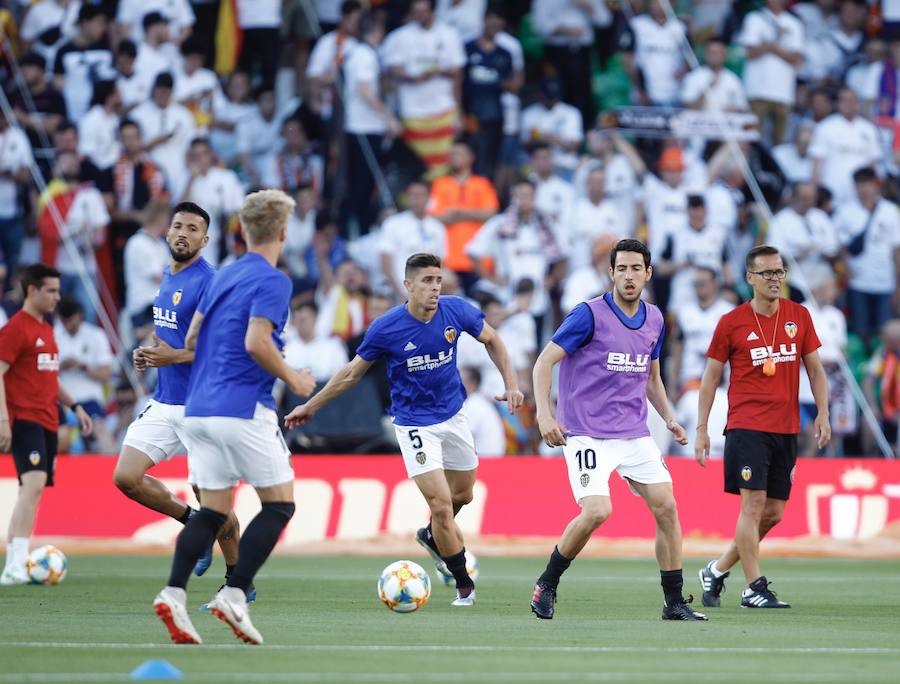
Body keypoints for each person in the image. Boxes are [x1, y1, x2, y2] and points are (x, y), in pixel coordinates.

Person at [285, 253, 523, 606]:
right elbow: (352, 373)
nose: (435, 288)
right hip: (414, 424)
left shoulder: (455, 310)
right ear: (408, 285)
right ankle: (463, 585)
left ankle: (431, 536)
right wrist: (311, 405)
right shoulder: (386, 328)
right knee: (442, 506)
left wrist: (512, 384)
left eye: (438, 280)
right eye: (427, 281)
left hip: (453, 416)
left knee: (464, 496)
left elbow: (493, 340)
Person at [153, 190, 316, 645]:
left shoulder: (220, 277)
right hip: (242, 407)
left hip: (198, 408)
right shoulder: (275, 280)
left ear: (243, 231)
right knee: (280, 504)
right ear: (283, 232)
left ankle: (173, 593)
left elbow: (193, 333)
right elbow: (256, 341)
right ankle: (235, 593)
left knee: (212, 510)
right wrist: (294, 379)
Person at [528, 238, 704, 621]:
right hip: (587, 433)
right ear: (611, 273)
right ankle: (548, 583)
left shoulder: (655, 318)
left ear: (648, 274)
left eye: (635, 269)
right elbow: (544, 363)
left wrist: (669, 417)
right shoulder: (588, 314)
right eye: (621, 268)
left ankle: (673, 602)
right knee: (597, 511)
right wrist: (544, 415)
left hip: (634, 434)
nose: (628, 276)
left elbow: (652, 377)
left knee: (668, 508)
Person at [114, 201, 245, 598]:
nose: (183, 233)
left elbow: (226, 348)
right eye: (178, 226)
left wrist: (169, 355)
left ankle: (238, 580)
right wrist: (147, 352)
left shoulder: (210, 282)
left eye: (192, 228)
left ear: (205, 240)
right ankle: (190, 522)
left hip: (203, 405)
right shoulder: (168, 278)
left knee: (215, 503)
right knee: (126, 478)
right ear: (166, 234)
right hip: (166, 398)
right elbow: (170, 337)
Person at [695, 245, 831, 609]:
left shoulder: (798, 315)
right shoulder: (731, 322)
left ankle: (717, 570)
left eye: (780, 272)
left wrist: (823, 413)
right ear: (750, 279)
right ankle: (754, 586)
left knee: (774, 513)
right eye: (767, 273)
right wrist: (701, 427)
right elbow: (709, 379)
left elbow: (815, 369)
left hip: (786, 427)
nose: (775, 279)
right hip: (746, 425)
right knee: (752, 505)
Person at [1, 264, 93, 585]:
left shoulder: (46, 328)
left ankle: (15, 562)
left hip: (48, 420)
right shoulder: (16, 329)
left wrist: (75, 406)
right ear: (32, 290)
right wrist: (2, 419)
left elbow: (50, 377)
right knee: (35, 484)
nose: (57, 297)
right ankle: (16, 562)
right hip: (24, 419)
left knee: (32, 490)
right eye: (51, 290)